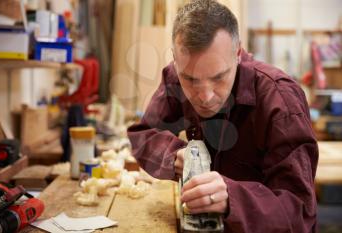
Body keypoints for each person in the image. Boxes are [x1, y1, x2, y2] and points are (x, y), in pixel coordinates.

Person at [127, 0, 318, 232]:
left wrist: (231, 198)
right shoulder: (175, 76)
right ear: (176, 62)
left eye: (219, 77)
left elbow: (299, 213)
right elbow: (142, 135)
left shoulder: (280, 101)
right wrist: (175, 156)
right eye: (191, 80)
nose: (205, 97)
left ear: (237, 54)